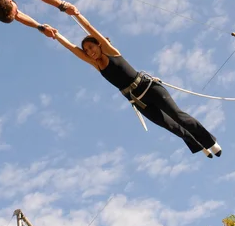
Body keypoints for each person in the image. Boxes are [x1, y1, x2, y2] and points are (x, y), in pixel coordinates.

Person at [47, 12, 222, 158]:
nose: (90, 52)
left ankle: (210, 141)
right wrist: (56, 35)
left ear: (99, 45)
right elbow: (71, 48)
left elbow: (90, 28)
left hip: (149, 88)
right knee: (170, 126)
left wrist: (76, 13)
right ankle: (200, 145)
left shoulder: (110, 51)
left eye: (91, 47)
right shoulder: (96, 65)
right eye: (86, 50)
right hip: (138, 100)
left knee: (177, 116)